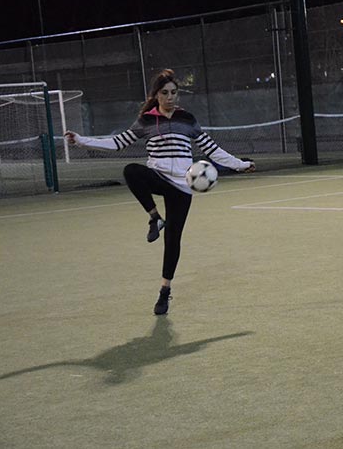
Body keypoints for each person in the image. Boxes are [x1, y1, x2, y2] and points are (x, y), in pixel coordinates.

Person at [65, 68, 255, 316]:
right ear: (156, 95)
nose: (170, 97)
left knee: (173, 240)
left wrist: (240, 164)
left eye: (174, 92)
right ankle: (154, 216)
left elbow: (212, 149)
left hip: (182, 186)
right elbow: (117, 142)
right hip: (158, 176)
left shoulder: (186, 119)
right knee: (132, 171)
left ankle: (164, 291)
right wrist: (81, 140)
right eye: (165, 93)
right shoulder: (146, 120)